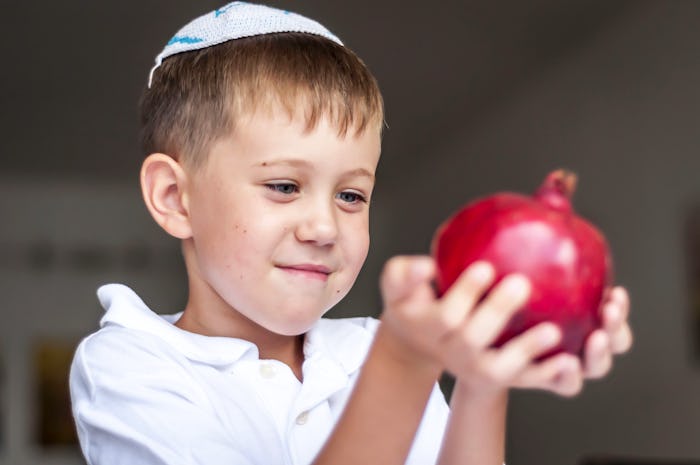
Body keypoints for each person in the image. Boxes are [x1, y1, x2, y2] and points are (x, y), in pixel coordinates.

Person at [69, 2, 633, 465]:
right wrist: (404, 361)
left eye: (350, 196)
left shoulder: (369, 348)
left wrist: (484, 380)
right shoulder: (129, 365)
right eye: (285, 186)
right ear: (174, 198)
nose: (323, 228)